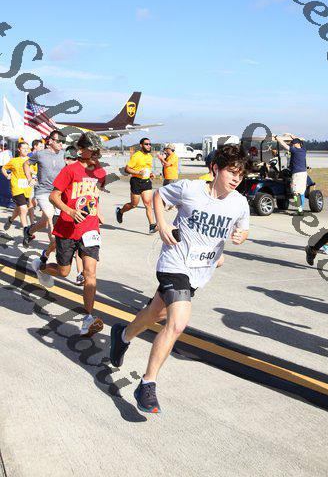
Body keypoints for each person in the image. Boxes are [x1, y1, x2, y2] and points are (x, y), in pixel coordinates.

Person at [109, 144, 251, 413]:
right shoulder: (190, 189)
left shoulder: (239, 203)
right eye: (231, 172)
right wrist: (162, 225)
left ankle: (123, 335)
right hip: (174, 263)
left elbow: (243, 230)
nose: (236, 179)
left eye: (240, 175)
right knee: (177, 323)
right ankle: (147, 384)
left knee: (156, 314)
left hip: (199, 271)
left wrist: (239, 237)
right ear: (215, 169)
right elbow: (159, 196)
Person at [31, 132, 106, 337]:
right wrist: (70, 211)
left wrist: (97, 212)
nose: (96, 153)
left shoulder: (99, 171)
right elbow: (54, 196)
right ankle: (42, 268)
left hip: (89, 228)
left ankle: (88, 318)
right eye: (93, 149)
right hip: (67, 227)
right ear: (81, 150)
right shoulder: (70, 170)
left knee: (90, 273)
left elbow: (95, 194)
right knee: (64, 271)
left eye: (98, 150)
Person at [38, 145, 84, 286]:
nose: (70, 161)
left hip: (79, 218)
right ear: (64, 159)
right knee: (54, 244)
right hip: (61, 217)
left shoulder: (81, 173)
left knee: (80, 249)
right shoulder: (63, 172)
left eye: (74, 159)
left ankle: (80, 273)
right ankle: (44, 258)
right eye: (68, 158)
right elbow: (53, 195)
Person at [22, 129, 66, 248]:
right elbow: (26, 164)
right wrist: (29, 179)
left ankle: (28, 232)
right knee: (52, 218)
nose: (61, 144)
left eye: (63, 141)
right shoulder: (40, 154)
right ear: (50, 141)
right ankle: (56, 248)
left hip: (58, 192)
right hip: (43, 191)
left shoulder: (64, 154)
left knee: (44, 222)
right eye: (59, 141)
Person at [115, 137, 157, 233]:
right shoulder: (136, 156)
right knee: (134, 204)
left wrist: (151, 174)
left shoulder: (149, 156)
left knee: (148, 204)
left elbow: (147, 169)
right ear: (141, 145)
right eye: (146, 144)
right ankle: (120, 211)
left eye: (150, 144)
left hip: (146, 182)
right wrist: (138, 172)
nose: (149, 146)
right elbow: (127, 169)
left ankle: (152, 226)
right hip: (136, 181)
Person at [2, 141, 33, 234]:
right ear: (19, 149)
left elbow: (36, 172)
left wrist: (34, 176)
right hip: (16, 188)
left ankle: (10, 220)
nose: (26, 150)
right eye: (23, 148)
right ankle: (26, 231)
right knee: (24, 209)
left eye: (27, 148)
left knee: (18, 208)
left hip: (27, 189)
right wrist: (7, 175)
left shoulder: (32, 160)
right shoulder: (14, 160)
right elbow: (4, 168)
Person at [274, 134, 307, 215]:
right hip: (304, 173)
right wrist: (293, 136)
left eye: (293, 144)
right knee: (301, 192)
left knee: (295, 192)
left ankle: (300, 210)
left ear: (297, 144)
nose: (292, 145)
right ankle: (301, 209)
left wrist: (277, 138)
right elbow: (298, 141)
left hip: (297, 174)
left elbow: (283, 145)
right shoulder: (303, 150)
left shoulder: (294, 150)